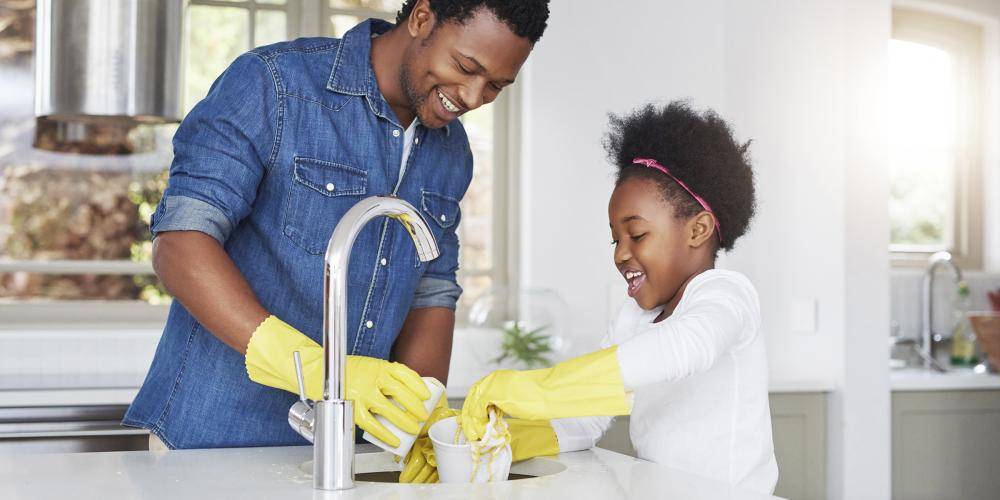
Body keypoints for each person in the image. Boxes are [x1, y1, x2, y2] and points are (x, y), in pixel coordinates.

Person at [122, 0, 550, 450]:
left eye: (495, 87)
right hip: (211, 440)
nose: (471, 96)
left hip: (346, 455)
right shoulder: (275, 85)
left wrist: (421, 425)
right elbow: (181, 242)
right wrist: (316, 371)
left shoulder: (451, 151)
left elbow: (431, 290)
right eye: (465, 66)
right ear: (422, 17)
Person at [411, 101, 777, 493]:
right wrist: (494, 443)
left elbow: (683, 348)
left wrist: (537, 387)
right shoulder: (633, 319)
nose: (620, 253)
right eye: (615, 239)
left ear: (698, 230)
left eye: (636, 235)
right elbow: (584, 420)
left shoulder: (726, 294)